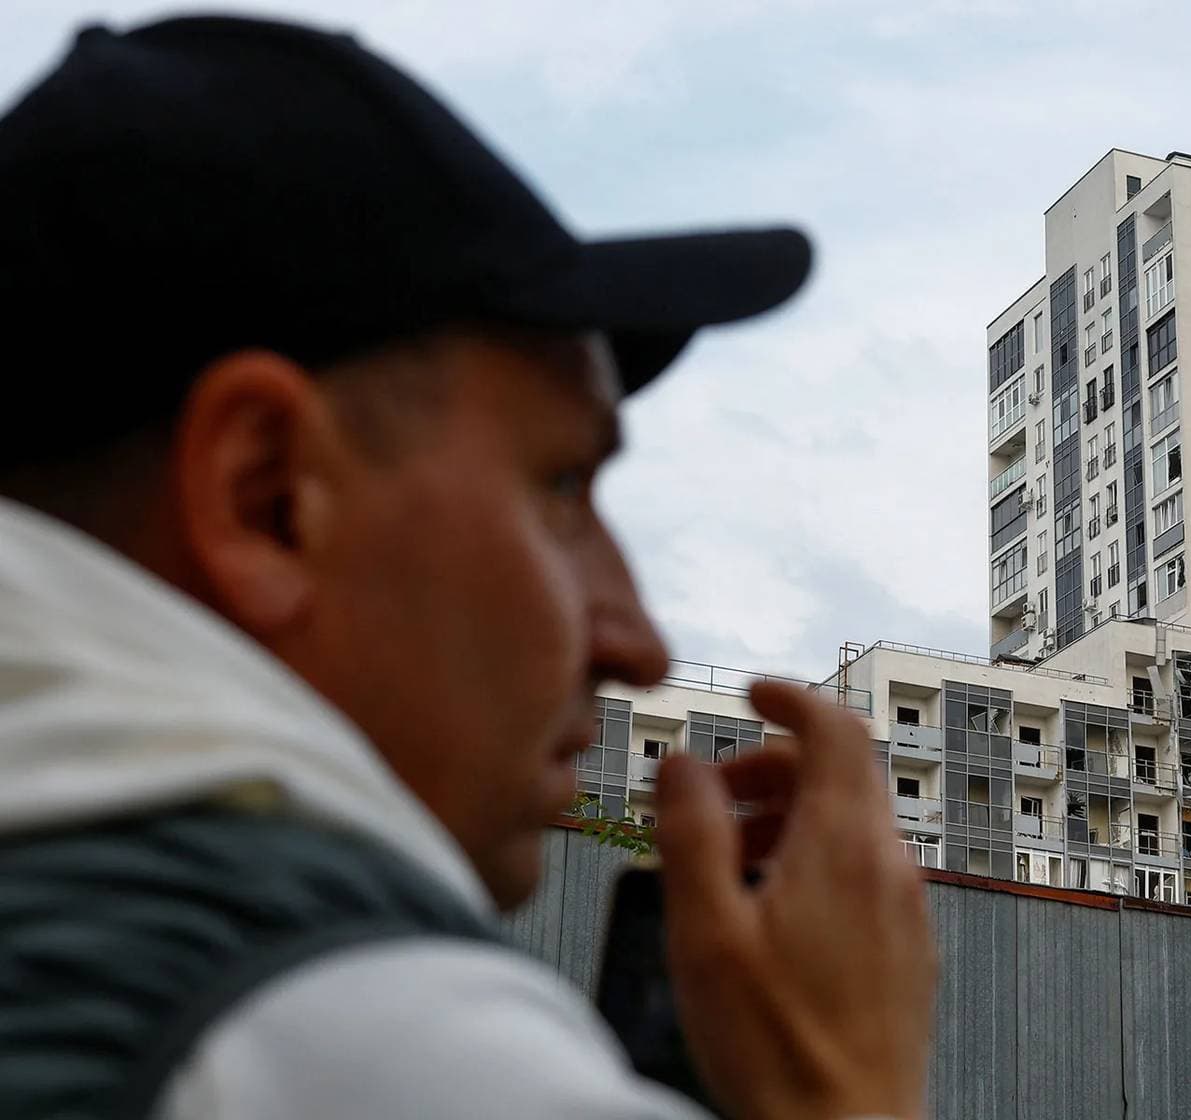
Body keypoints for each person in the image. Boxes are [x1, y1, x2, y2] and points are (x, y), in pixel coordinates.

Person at [0, 14, 935, 1120]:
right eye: (561, 489)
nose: (636, 639)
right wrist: (840, 1088)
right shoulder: (367, 1044)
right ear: (267, 497)